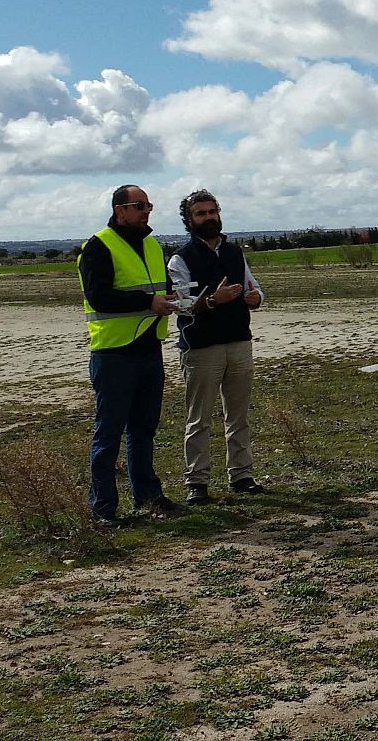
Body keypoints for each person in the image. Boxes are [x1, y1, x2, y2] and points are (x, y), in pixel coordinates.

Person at [77, 184, 186, 528]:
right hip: (114, 352)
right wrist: (147, 303)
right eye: (140, 205)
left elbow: (158, 288)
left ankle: (148, 497)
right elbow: (98, 297)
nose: (146, 211)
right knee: (108, 432)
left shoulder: (152, 244)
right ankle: (104, 508)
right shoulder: (97, 246)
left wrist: (175, 296)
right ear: (119, 209)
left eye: (149, 205)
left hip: (148, 347)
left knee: (144, 428)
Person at [167, 189, 265, 505]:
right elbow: (181, 306)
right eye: (201, 213)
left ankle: (242, 475)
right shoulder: (180, 259)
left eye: (212, 212)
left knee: (238, 415)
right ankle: (197, 482)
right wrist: (212, 300)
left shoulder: (235, 253)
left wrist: (256, 299)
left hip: (238, 342)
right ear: (189, 220)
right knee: (200, 418)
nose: (209, 217)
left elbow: (256, 289)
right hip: (201, 348)